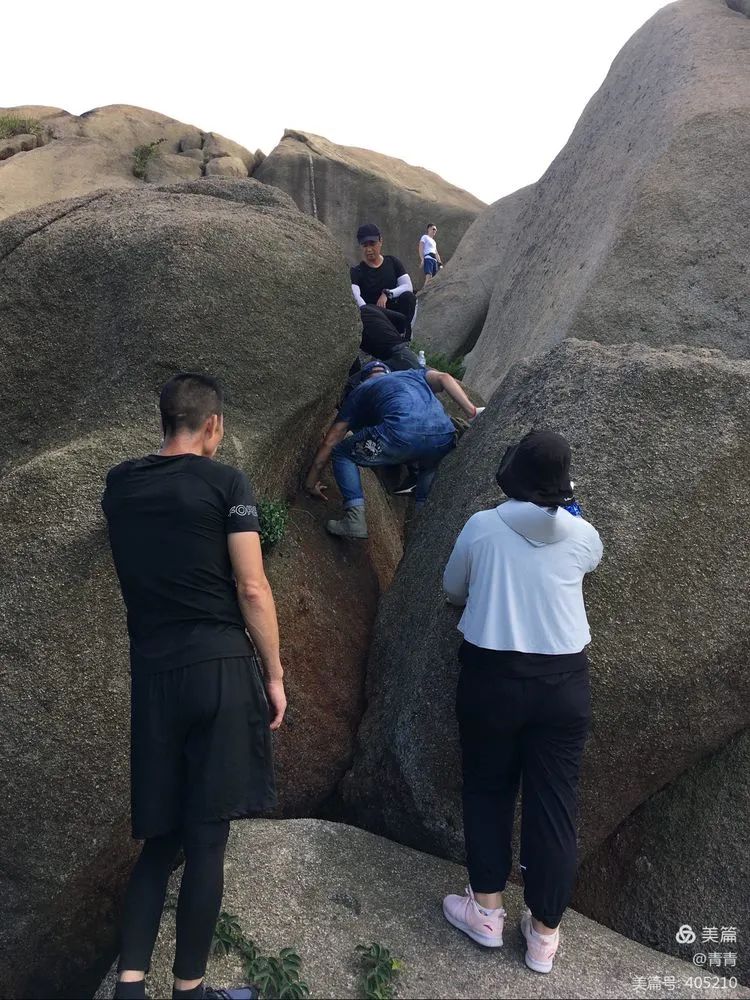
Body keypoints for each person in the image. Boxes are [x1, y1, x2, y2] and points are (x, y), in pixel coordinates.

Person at [102, 373, 286, 1000]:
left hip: (155, 678)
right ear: (212, 426)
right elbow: (253, 586)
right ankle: (189, 990)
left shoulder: (120, 486)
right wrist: (276, 674)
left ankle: (129, 987)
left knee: (160, 838)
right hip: (219, 671)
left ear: (164, 421)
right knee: (207, 839)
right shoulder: (227, 482)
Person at [441, 431, 603, 974]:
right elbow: (587, 561)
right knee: (554, 802)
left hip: (491, 677)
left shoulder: (482, 527)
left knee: (487, 787)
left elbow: (451, 590)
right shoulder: (584, 535)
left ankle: (486, 910)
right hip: (562, 682)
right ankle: (544, 936)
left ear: (510, 476)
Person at [304, 361, 482, 538]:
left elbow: (332, 440)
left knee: (342, 453)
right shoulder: (411, 374)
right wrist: (471, 411)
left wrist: (311, 482)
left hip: (399, 433)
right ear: (388, 372)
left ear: (365, 377)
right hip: (443, 436)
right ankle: (418, 538)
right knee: (426, 476)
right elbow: (444, 377)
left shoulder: (361, 391)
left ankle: (354, 519)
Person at [351, 223, 417, 340]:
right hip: (375, 318)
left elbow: (408, 286)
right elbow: (356, 297)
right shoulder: (356, 271)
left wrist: (387, 293)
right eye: (365, 245)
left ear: (380, 241)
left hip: (395, 314)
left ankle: (403, 338)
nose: (369, 249)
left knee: (409, 297)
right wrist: (372, 314)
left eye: (372, 244)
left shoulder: (392, 262)